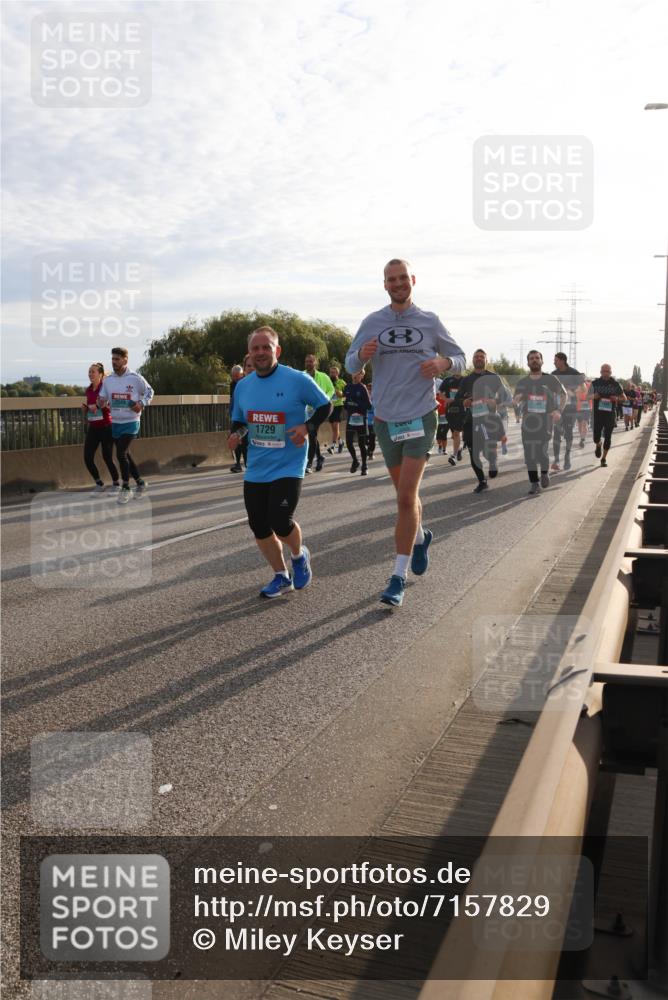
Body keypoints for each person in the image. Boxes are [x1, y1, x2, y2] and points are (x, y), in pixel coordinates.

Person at [345, 258, 466, 608]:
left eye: (402, 278)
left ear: (412, 280)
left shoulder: (429, 321)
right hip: (385, 418)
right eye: (391, 279)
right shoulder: (373, 322)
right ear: (384, 285)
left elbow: (458, 356)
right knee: (405, 496)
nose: (397, 284)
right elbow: (350, 362)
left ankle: (397, 576)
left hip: (420, 416)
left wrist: (443, 363)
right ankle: (421, 536)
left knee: (403, 497)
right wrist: (361, 356)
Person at [227, 326, 331, 598]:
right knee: (258, 525)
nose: (260, 353)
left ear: (277, 350)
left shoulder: (296, 379)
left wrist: (307, 428)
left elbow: (324, 406)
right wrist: (236, 435)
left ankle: (298, 555)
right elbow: (240, 420)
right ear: (249, 352)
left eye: (266, 347)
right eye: (255, 348)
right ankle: (280, 575)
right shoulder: (243, 386)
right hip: (258, 466)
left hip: (289, 463)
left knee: (280, 520)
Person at [97, 347, 154, 504]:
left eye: (117, 359)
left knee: (120, 454)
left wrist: (141, 403)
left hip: (131, 421)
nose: (114, 362)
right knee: (126, 455)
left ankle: (126, 487)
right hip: (116, 422)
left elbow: (150, 392)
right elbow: (102, 398)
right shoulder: (108, 380)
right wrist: (101, 402)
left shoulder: (135, 378)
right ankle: (140, 482)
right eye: (112, 359)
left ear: (125, 360)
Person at [513, 350, 566, 495]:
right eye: (531, 358)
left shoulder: (550, 379)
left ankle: (544, 472)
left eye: (537, 358)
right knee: (529, 453)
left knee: (542, 450)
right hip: (528, 421)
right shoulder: (523, 382)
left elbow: (564, 395)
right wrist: (516, 401)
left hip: (545, 421)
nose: (534, 360)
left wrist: (559, 411)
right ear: (528, 362)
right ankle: (534, 483)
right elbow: (516, 398)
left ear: (542, 361)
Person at [455, 349, 507, 494]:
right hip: (471, 421)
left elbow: (504, 396)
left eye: (481, 357)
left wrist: (494, 401)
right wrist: (464, 401)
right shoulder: (466, 380)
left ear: (486, 360)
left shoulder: (494, 377)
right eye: (476, 357)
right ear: (472, 360)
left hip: (489, 420)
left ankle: (492, 461)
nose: (479, 359)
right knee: (473, 452)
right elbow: (458, 399)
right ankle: (482, 481)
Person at [82, 362, 119, 494]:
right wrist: (86, 409)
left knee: (107, 456)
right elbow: (92, 409)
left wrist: (101, 407)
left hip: (106, 426)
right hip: (93, 427)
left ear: (101, 374)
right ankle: (99, 483)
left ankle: (116, 483)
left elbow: (110, 406)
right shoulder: (88, 390)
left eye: (93, 371)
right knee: (87, 457)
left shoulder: (105, 388)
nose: (90, 374)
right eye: (89, 371)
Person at [551, 352, 585, 472]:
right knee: (556, 432)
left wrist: (573, 390)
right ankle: (556, 460)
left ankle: (567, 456)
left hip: (571, 408)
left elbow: (583, 388)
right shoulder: (553, 374)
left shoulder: (574, 373)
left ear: (562, 360)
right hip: (558, 408)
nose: (554, 362)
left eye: (555, 360)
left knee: (569, 433)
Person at [589, 364, 626, 467]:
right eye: (604, 371)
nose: (606, 373)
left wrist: (617, 399)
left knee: (608, 437)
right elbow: (587, 396)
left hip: (610, 414)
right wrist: (594, 396)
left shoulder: (615, 384)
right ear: (600, 372)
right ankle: (598, 444)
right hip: (597, 414)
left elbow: (624, 398)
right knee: (596, 437)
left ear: (611, 372)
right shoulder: (595, 383)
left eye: (608, 371)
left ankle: (603, 459)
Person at [303, 355, 335, 473]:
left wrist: (326, 398)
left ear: (315, 363)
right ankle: (320, 457)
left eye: (311, 361)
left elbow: (331, 389)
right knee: (312, 434)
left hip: (320, 410)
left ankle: (309, 464)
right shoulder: (302, 375)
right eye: (307, 361)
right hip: (307, 410)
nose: (308, 363)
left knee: (312, 433)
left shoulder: (323, 376)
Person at [343, 369, 372, 475]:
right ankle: (355, 460)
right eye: (354, 373)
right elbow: (346, 403)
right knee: (348, 442)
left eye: (359, 374)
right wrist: (347, 405)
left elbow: (369, 406)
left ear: (362, 376)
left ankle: (364, 465)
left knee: (361, 444)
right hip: (351, 419)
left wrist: (357, 404)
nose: (355, 375)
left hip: (361, 419)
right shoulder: (347, 387)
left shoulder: (363, 388)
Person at [438, 369, 465, 464]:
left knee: (457, 433)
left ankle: (453, 455)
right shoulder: (447, 380)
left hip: (463, 410)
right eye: (455, 368)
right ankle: (459, 449)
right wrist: (446, 399)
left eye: (460, 367)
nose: (457, 370)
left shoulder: (466, 380)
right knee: (454, 434)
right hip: (450, 411)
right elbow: (440, 393)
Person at [228, 364, 246, 472]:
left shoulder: (245, 383)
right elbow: (232, 399)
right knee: (235, 438)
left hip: (245, 416)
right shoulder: (232, 384)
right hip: (236, 415)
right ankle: (238, 464)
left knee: (244, 441)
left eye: (237, 376)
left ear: (242, 374)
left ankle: (248, 463)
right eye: (233, 376)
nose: (235, 378)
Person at [326, 365, 347, 454]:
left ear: (337, 373)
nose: (332, 374)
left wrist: (341, 394)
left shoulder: (342, 382)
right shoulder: (327, 382)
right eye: (331, 372)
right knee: (333, 428)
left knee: (335, 426)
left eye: (334, 372)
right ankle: (341, 442)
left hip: (338, 405)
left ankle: (333, 446)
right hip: (330, 406)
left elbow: (346, 394)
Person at [575, 379, 592, 447]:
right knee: (579, 424)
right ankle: (581, 436)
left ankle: (583, 439)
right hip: (578, 407)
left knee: (584, 424)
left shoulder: (590, 385)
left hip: (587, 407)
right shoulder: (576, 386)